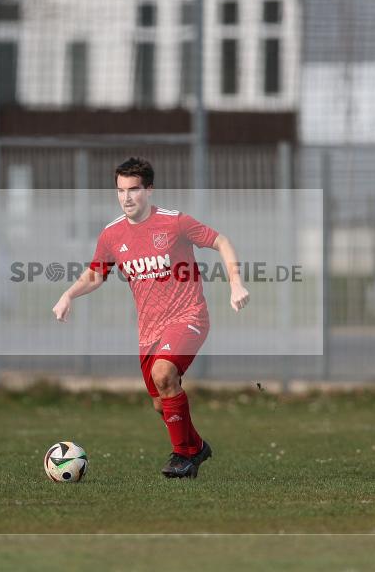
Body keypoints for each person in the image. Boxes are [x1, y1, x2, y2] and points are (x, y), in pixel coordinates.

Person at [52, 157, 249, 478]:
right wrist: (68, 294)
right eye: (120, 191)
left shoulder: (175, 223)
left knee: (163, 373)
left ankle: (182, 457)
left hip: (189, 316)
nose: (127, 198)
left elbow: (221, 242)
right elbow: (96, 273)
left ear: (149, 190)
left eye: (134, 190)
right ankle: (197, 448)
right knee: (161, 402)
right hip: (149, 331)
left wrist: (236, 283)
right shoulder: (112, 235)